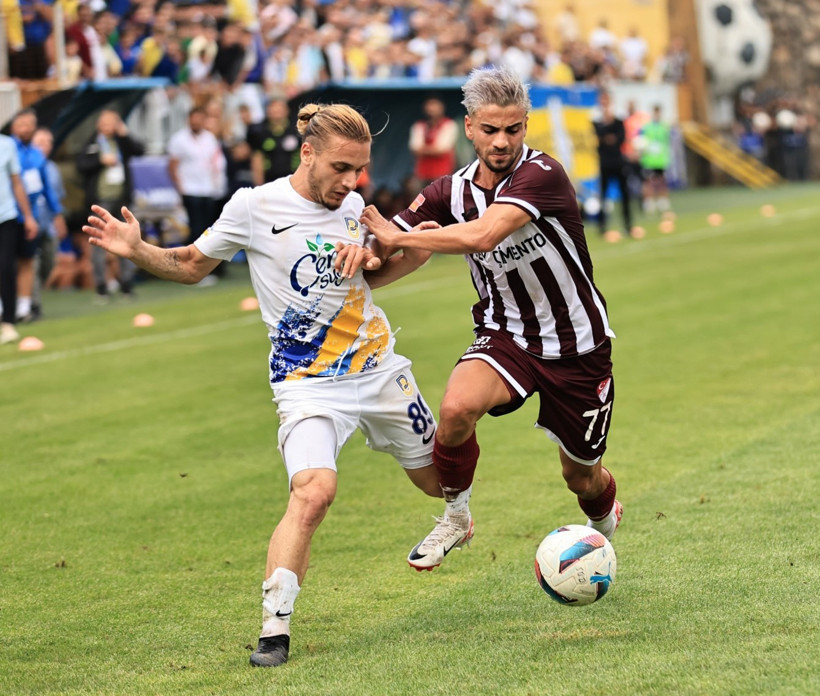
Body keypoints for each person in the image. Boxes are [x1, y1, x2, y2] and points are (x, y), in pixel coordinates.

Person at [82, 103, 451, 668]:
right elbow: (191, 264)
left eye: (359, 169)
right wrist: (137, 249)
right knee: (313, 492)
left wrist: (412, 253)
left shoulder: (354, 207)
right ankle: (274, 630)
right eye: (341, 167)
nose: (351, 182)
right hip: (306, 385)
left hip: (380, 370)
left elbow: (368, 278)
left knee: (438, 485)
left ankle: (459, 516)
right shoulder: (253, 206)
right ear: (307, 153)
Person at [351, 66, 623, 571]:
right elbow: (386, 244)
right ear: (470, 127)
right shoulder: (446, 192)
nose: (502, 141)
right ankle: (456, 517)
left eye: (513, 129)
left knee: (582, 478)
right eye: (491, 129)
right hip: (506, 334)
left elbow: (483, 235)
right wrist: (367, 256)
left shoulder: (542, 174)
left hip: (577, 345)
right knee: (455, 410)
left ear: (525, 126)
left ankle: (604, 523)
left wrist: (397, 237)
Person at [76, 109, 145, 301]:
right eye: (105, 123)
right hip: (100, 202)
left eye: (112, 122)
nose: (108, 126)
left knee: (126, 242)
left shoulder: (121, 141)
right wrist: (100, 161)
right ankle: (101, 288)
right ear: (99, 124)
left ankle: (126, 285)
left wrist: (125, 133)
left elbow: (140, 150)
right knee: (98, 244)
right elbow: (81, 165)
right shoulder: (92, 143)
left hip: (122, 201)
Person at [10, 109, 67, 322]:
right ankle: (21, 306)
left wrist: (57, 214)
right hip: (10, 217)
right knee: (12, 263)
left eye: (29, 124)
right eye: (22, 124)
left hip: (34, 218)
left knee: (36, 261)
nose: (26, 128)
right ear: (14, 127)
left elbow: (47, 189)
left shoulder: (37, 155)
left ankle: (25, 305)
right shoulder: (7, 150)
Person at [167, 106, 227, 280]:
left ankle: (210, 268)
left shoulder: (209, 138)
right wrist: (180, 189)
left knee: (210, 230)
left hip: (208, 189)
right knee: (196, 229)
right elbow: (172, 166)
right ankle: (192, 268)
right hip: (190, 189)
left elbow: (214, 163)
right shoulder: (179, 139)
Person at [0, 133, 39, 344]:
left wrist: (28, 217)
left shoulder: (7, 144)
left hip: (6, 216)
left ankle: (8, 323)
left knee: (6, 268)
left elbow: (16, 183)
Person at [30, 127, 66, 318]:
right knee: (32, 264)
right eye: (40, 142)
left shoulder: (52, 169)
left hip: (48, 225)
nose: (45, 146)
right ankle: (33, 305)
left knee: (49, 262)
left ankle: (31, 296)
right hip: (29, 224)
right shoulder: (24, 165)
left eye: (49, 142)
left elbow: (56, 198)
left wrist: (60, 219)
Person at [592, 92, 635, 237]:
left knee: (625, 194)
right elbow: (598, 138)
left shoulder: (618, 118)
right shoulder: (596, 118)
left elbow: (620, 138)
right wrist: (607, 136)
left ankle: (628, 225)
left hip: (618, 161)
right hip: (604, 162)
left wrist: (608, 136)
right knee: (603, 195)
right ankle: (602, 226)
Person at [246, 97, 301, 186]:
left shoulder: (298, 130)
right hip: (269, 181)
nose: (276, 111)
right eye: (273, 107)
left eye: (279, 107)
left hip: (294, 180)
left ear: (287, 110)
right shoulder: (259, 132)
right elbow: (257, 160)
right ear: (267, 111)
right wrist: (259, 187)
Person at [408, 97, 458, 187]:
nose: (432, 110)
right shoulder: (419, 125)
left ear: (441, 108)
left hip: (442, 173)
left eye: (435, 107)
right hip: (422, 174)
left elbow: (442, 149)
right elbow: (415, 149)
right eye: (429, 107)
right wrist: (432, 150)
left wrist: (424, 150)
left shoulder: (448, 124)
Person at [638, 104, 672, 214]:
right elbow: (641, 141)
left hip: (661, 159)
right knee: (648, 181)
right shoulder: (646, 127)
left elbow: (667, 142)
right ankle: (649, 202)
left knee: (662, 180)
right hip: (649, 159)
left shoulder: (665, 126)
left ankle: (663, 201)